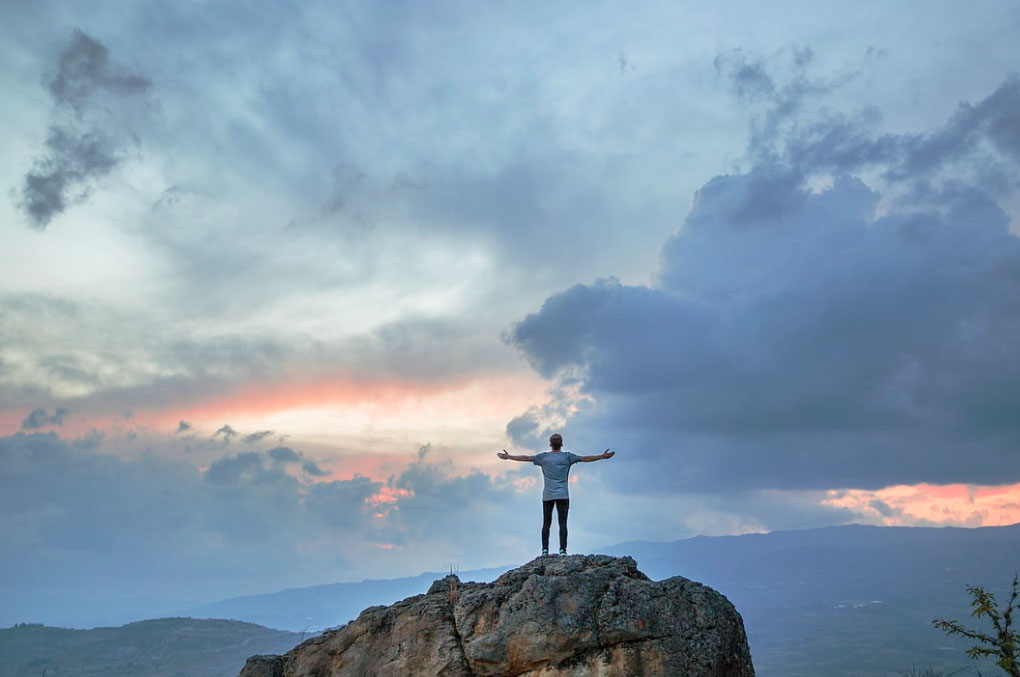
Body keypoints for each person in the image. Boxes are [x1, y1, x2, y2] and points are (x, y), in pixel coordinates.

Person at [497, 433, 615, 556]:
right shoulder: (567, 457)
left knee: (546, 523)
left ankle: (544, 550)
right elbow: (585, 458)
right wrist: (602, 456)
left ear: (550, 444)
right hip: (563, 494)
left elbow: (526, 458)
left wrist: (509, 457)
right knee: (562, 523)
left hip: (548, 495)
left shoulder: (544, 457)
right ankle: (563, 550)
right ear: (561, 444)